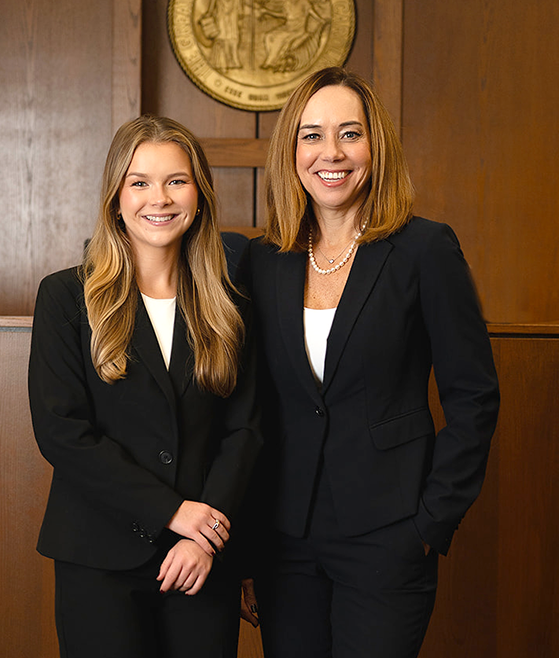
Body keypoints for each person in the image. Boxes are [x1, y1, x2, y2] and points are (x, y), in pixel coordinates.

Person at [238, 67, 500, 658]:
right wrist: (247, 548)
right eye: (312, 135)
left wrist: (431, 522)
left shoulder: (425, 249)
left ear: (374, 147)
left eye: (349, 134)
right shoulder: (264, 260)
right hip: (285, 542)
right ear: (292, 151)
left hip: (391, 534)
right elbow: (252, 410)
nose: (331, 152)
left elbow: (473, 395)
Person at [28, 115, 261, 658]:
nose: (159, 198)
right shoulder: (65, 297)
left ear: (199, 194)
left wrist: (205, 536)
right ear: (116, 197)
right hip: (98, 559)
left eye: (177, 181)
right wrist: (173, 513)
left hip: (202, 560)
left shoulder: (231, 304)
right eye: (140, 181)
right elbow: (63, 434)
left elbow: (246, 431)